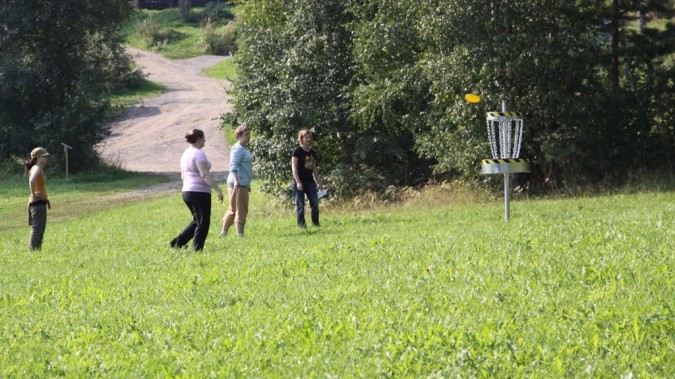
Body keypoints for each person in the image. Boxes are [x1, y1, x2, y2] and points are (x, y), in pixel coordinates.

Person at [170, 129, 224, 251]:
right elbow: (204, 174)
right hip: (199, 192)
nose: (205, 140)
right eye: (204, 138)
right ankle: (197, 249)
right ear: (199, 138)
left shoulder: (185, 153)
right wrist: (217, 189)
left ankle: (177, 244)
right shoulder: (198, 153)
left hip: (187, 191)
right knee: (203, 222)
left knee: (197, 220)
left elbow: (184, 175)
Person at [220, 125, 253, 237]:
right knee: (241, 209)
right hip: (238, 182)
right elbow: (233, 165)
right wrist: (236, 181)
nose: (249, 137)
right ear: (239, 136)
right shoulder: (238, 148)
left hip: (243, 182)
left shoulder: (242, 148)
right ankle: (240, 235)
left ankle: (224, 233)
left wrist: (247, 184)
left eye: (249, 134)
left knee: (234, 208)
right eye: (246, 135)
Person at [291, 129, 322, 227]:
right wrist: (298, 182)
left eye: (310, 137)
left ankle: (316, 224)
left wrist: (318, 182)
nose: (308, 139)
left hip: (310, 182)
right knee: (300, 204)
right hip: (299, 181)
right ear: (301, 138)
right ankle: (302, 225)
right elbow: (294, 168)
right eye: (306, 137)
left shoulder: (312, 152)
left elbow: (314, 169)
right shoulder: (297, 151)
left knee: (314, 203)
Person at [25, 147, 52, 251]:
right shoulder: (37, 168)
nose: (46, 158)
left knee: (40, 229)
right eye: (44, 157)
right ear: (38, 158)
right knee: (37, 229)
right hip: (37, 203)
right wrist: (33, 194)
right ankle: (34, 252)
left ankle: (37, 250)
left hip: (40, 203)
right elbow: (31, 181)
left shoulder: (37, 168)